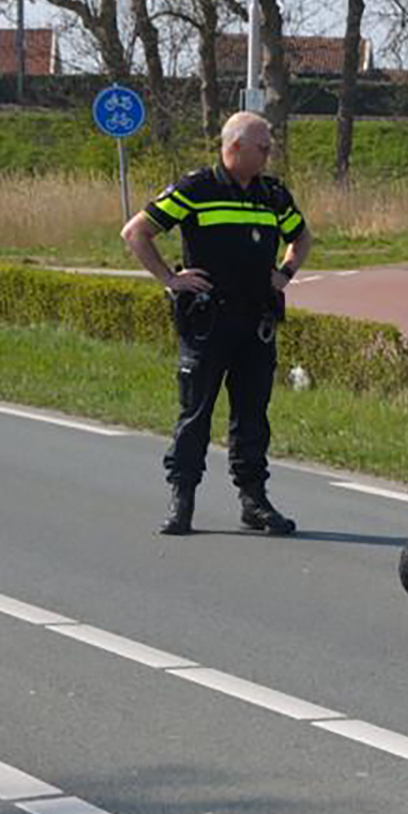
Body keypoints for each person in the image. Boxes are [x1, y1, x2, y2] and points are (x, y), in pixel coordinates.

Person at [121, 111, 312, 537]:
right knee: (196, 413)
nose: (270, 153)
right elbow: (136, 232)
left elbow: (302, 237)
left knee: (252, 416)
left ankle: (254, 501)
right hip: (208, 322)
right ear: (235, 147)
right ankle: (181, 499)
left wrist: (285, 273)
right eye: (263, 147)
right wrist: (170, 280)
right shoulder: (197, 188)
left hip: (255, 322)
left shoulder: (272, 193)